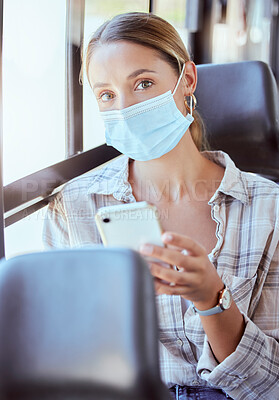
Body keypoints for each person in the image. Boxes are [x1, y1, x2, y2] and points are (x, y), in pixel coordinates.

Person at [43, 12, 279, 400]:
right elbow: (66, 358)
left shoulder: (268, 210)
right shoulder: (74, 206)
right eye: (107, 94)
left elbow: (272, 383)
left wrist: (213, 299)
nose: (125, 108)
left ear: (187, 80)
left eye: (143, 84)